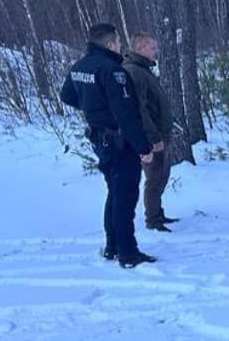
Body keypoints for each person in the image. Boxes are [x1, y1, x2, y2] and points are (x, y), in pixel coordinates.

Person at [60, 23, 157, 268]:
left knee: (114, 192)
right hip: (119, 141)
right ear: (110, 43)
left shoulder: (80, 67)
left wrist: (92, 107)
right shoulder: (112, 71)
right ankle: (127, 252)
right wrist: (143, 147)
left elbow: (67, 96)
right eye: (118, 41)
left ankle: (113, 246)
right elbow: (126, 114)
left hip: (99, 139)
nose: (120, 46)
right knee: (125, 197)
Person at [124, 32, 178, 232]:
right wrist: (153, 137)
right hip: (152, 137)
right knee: (155, 178)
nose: (156, 51)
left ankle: (157, 213)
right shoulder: (134, 72)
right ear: (139, 49)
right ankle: (153, 219)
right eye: (152, 48)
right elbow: (140, 109)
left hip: (160, 133)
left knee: (161, 176)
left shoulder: (144, 70)